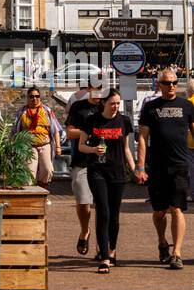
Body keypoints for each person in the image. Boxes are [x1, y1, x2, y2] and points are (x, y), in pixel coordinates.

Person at [136, 68, 194, 269]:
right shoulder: (150, 107)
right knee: (160, 211)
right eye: (167, 83)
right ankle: (162, 242)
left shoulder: (187, 106)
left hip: (180, 165)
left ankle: (177, 252)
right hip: (157, 166)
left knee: (176, 208)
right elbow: (142, 138)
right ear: (159, 85)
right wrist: (140, 167)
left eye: (174, 83)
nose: (171, 86)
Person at [77, 89, 135, 274]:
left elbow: (126, 149)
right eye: (112, 103)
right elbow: (81, 146)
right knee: (103, 211)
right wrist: (94, 150)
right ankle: (104, 257)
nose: (115, 107)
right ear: (103, 103)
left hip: (117, 172)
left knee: (115, 216)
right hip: (97, 171)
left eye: (118, 103)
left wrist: (136, 169)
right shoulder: (92, 120)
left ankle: (112, 250)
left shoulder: (124, 121)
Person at [66, 79, 109, 256]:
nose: (99, 92)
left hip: (103, 160)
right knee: (84, 203)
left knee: (103, 205)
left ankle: (102, 246)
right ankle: (85, 231)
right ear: (89, 88)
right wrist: (90, 131)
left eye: (102, 89)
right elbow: (69, 132)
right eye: (96, 88)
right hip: (82, 159)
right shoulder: (78, 107)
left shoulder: (106, 107)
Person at [13, 88, 62, 187]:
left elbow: (55, 129)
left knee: (48, 169)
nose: (34, 99)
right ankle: (30, 196)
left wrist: (58, 146)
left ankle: (42, 189)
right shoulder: (22, 112)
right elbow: (15, 130)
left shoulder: (47, 111)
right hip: (28, 146)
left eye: (37, 96)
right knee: (29, 172)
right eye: (31, 96)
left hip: (45, 144)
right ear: (27, 98)